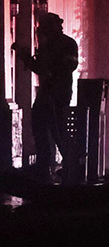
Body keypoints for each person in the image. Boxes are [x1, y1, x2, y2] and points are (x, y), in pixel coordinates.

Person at [15, 12, 79, 176]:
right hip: (48, 92)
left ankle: (71, 163)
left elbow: (65, 66)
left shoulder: (66, 44)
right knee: (40, 124)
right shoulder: (50, 44)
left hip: (58, 92)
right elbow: (42, 68)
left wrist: (36, 61)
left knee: (58, 128)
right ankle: (45, 162)